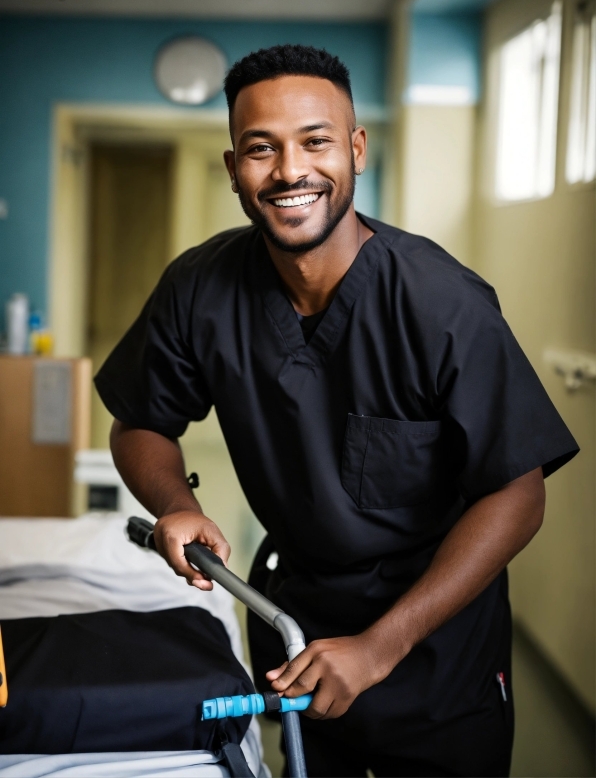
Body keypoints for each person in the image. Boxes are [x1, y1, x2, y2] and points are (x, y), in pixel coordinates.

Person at [95, 45, 578, 778]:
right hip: (295, 621)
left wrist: (381, 646)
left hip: (434, 648)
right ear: (234, 170)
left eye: (315, 141)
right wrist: (175, 505)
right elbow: (139, 421)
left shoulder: (442, 304)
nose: (290, 171)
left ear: (356, 150)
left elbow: (518, 492)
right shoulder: (200, 288)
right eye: (261, 149)